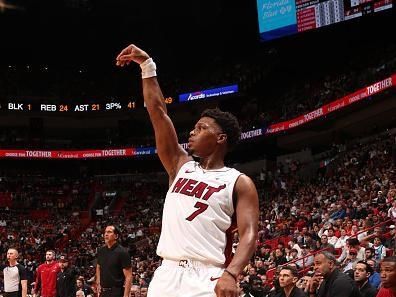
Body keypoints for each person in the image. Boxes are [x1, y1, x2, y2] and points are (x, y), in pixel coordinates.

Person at [116, 44, 259, 297]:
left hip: (207, 276)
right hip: (166, 274)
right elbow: (158, 113)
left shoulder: (238, 182)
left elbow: (249, 233)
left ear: (220, 138)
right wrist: (147, 66)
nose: (192, 132)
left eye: (201, 128)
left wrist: (232, 273)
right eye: (194, 127)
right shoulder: (179, 165)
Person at [96, 225, 132, 297]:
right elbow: (98, 267)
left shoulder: (122, 252)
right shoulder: (101, 251)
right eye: (105, 232)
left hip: (116, 292)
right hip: (103, 292)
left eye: (109, 232)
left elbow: (129, 276)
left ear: (116, 236)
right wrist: (98, 283)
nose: (106, 234)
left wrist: (126, 295)